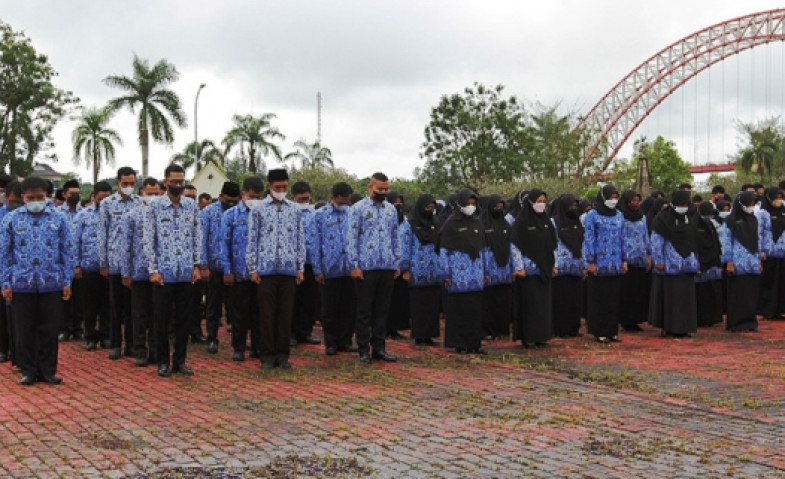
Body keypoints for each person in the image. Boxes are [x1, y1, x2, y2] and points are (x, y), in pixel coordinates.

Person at [0, 176, 74, 385]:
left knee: (49, 329)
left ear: (48, 196)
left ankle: (48, 370)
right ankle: (28, 370)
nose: (35, 201)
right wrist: (5, 284)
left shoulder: (59, 219)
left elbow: (67, 251)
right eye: (31, 197)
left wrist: (67, 281)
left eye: (40, 197)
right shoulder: (11, 220)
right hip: (21, 283)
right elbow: (4, 254)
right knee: (24, 330)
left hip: (51, 282)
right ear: (23, 197)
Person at [144, 164, 204, 377]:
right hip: (163, 274)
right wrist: (153, 269)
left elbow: (198, 238)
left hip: (186, 272)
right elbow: (149, 241)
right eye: (174, 181)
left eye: (181, 181)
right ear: (166, 181)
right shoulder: (154, 207)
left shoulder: (191, 206)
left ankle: (180, 361)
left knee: (184, 319)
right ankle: (162, 361)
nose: (178, 185)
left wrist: (197, 266)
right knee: (161, 320)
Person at [246, 168, 305, 370]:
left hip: (288, 270)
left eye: (284, 187)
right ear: (269, 186)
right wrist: (252, 268)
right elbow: (252, 240)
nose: (281, 190)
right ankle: (267, 355)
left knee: (285, 315)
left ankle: (283, 355)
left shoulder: (295, 209)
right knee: (267, 315)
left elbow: (300, 240)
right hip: (265, 270)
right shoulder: (259, 209)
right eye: (278, 187)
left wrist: (300, 268)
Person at [346, 172, 401, 364]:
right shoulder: (357, 209)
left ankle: (379, 348)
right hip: (365, 267)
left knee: (382, 310)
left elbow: (395, 237)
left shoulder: (391, 210)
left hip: (386, 265)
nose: (383, 193)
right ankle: (363, 349)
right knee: (364, 311)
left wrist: (397, 261)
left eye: (386, 189)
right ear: (370, 187)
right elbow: (351, 239)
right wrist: (354, 265)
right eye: (380, 189)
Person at [436, 189, 489, 354]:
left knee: (474, 310)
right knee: (458, 310)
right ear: (460, 204)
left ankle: (474, 344)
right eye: (467, 204)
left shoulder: (477, 223)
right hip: (457, 275)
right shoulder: (451, 224)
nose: (471, 207)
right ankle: (459, 343)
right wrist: (446, 273)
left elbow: (484, 248)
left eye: (473, 204)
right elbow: (443, 250)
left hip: (476, 275)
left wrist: (486, 271)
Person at [311, 182, 358, 355]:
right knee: (329, 309)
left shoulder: (353, 213)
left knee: (349, 308)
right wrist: (317, 269)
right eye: (343, 201)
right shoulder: (320, 216)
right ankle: (331, 342)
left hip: (350, 268)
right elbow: (314, 244)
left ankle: (345, 341)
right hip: (329, 269)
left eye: (348, 201)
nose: (345, 204)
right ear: (334, 198)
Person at [99, 166, 141, 360]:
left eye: (132, 183)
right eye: (125, 184)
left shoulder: (140, 203)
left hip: (134, 263)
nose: (129, 187)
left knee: (133, 307)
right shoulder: (107, 204)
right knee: (116, 306)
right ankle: (116, 344)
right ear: (117, 183)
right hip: (115, 262)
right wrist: (104, 262)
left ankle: (131, 344)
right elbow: (103, 233)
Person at [120, 178, 162, 366]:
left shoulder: (164, 215)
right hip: (138, 271)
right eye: (149, 193)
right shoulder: (131, 216)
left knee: (157, 314)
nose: (152, 197)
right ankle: (140, 351)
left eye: (156, 193)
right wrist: (125, 272)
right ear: (141, 193)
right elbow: (125, 246)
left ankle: (155, 350)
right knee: (139, 314)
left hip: (160, 273)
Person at [221, 177, 264, 361]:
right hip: (239, 273)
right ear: (243, 194)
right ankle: (238, 347)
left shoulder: (265, 214)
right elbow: (224, 245)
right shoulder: (231, 215)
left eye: (258, 196)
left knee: (259, 314)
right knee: (239, 314)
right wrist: (227, 270)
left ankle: (257, 347)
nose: (255, 199)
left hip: (261, 274)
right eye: (252, 196)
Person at [649, 190, 700, 337]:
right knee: (671, 299)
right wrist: (658, 260)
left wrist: (696, 262)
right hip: (670, 264)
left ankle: (684, 328)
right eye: (681, 204)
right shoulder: (662, 219)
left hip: (687, 265)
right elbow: (656, 241)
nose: (684, 207)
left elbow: (694, 240)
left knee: (686, 300)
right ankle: (670, 328)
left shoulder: (688, 218)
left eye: (686, 204)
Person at [512, 189, 557, 348]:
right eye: (538, 201)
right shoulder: (521, 221)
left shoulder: (547, 222)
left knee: (543, 305)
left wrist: (554, 265)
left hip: (544, 269)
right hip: (528, 270)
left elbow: (553, 245)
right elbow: (515, 245)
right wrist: (519, 267)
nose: (541, 205)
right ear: (529, 202)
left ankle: (541, 335)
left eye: (544, 201)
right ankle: (528, 337)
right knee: (530, 304)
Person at [583, 184, 628, 343]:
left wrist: (624, 259)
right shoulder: (593, 215)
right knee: (599, 298)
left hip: (615, 264)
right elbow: (589, 239)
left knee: (613, 299)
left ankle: (612, 331)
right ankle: (599, 331)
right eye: (611, 197)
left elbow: (623, 238)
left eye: (616, 197)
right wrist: (591, 261)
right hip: (599, 263)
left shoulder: (619, 215)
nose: (613, 200)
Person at [73, 182, 113, 352]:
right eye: (100, 198)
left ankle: (105, 336)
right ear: (94, 197)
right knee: (89, 305)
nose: (103, 202)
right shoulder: (83, 215)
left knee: (107, 305)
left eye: (107, 198)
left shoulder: (116, 215)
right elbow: (75, 241)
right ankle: (90, 337)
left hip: (110, 269)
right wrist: (76, 265)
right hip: (89, 267)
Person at [201, 182, 240, 354]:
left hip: (235, 268)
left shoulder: (240, 212)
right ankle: (212, 338)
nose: (231, 203)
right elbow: (201, 240)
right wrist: (203, 265)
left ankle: (237, 342)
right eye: (228, 200)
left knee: (236, 307)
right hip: (214, 267)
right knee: (213, 305)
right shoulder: (208, 212)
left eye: (235, 201)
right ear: (221, 196)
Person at [399, 193, 442, 345]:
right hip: (417, 269)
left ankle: (430, 334)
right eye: (427, 207)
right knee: (419, 303)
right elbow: (404, 247)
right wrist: (405, 268)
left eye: (432, 207)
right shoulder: (409, 224)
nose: (430, 210)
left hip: (434, 270)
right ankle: (419, 335)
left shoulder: (436, 223)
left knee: (432, 303)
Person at [721, 191, 765, 332]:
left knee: (751, 293)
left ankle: (750, 321)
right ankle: (737, 323)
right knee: (738, 293)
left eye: (753, 204)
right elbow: (726, 242)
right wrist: (728, 261)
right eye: (749, 204)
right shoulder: (730, 221)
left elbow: (757, 240)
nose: (751, 207)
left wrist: (758, 260)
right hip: (737, 262)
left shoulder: (753, 219)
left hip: (752, 262)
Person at [480, 195, 516, 340]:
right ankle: (487, 331)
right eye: (496, 206)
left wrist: (514, 268)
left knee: (504, 302)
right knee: (488, 302)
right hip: (489, 269)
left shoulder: (506, 224)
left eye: (501, 206)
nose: (499, 209)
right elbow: (480, 249)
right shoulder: (481, 224)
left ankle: (502, 330)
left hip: (505, 270)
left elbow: (512, 247)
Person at [550, 194, 586, 338]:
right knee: (561, 300)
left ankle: (573, 328)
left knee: (575, 300)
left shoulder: (578, 222)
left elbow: (582, 243)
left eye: (576, 206)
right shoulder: (554, 222)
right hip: (561, 267)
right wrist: (554, 264)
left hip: (576, 266)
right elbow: (552, 245)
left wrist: (584, 264)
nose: (574, 208)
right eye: (571, 205)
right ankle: (560, 329)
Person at [290, 181, 321, 346]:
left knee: (309, 300)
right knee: (293, 300)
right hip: (292, 264)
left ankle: (305, 331)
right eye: (301, 199)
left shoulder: (314, 214)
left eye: (307, 199)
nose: (304, 202)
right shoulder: (287, 213)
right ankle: (291, 333)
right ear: (293, 197)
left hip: (310, 262)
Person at [618, 190, 651, 331]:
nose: (635, 204)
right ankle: (625, 320)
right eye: (632, 201)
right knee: (627, 291)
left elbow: (646, 235)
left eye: (638, 201)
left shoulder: (642, 217)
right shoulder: (619, 216)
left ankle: (636, 320)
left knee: (639, 291)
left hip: (640, 257)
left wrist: (649, 254)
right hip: (626, 258)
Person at [57, 179, 84, 342]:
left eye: (77, 193)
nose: (74, 196)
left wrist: (78, 264)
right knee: (64, 298)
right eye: (71, 193)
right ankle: (64, 328)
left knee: (79, 299)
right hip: (62, 263)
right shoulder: (57, 213)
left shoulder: (83, 212)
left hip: (79, 263)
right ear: (64, 194)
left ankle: (77, 328)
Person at [0, 181, 23, 364]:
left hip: (19, 272)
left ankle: (18, 354)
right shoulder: (2, 216)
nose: (15, 204)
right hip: (2, 269)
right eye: (12, 200)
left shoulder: (26, 216)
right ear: (6, 197)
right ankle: (2, 349)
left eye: (18, 201)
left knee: (17, 316)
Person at [756, 187, 785, 319]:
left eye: (780, 197)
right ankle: (768, 310)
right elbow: (758, 233)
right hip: (769, 253)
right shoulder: (762, 213)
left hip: (783, 251)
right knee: (769, 283)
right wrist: (760, 250)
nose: (778, 200)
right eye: (776, 197)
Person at [184, 185, 208, 343]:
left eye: (193, 197)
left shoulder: (198, 216)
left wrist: (200, 265)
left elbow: (201, 241)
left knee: (195, 302)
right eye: (187, 196)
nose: (190, 200)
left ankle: (196, 332)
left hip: (194, 266)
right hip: (176, 268)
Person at [694, 201, 724, 327]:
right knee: (702, 293)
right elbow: (694, 246)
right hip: (700, 263)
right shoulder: (695, 225)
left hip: (713, 264)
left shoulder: (712, 225)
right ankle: (702, 319)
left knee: (713, 292)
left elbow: (716, 244)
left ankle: (713, 318)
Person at [386, 191, 410, 339]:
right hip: (389, 266)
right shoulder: (386, 220)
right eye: (395, 202)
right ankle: (386, 328)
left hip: (402, 266)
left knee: (399, 300)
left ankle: (395, 328)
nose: (398, 206)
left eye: (400, 202)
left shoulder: (406, 223)